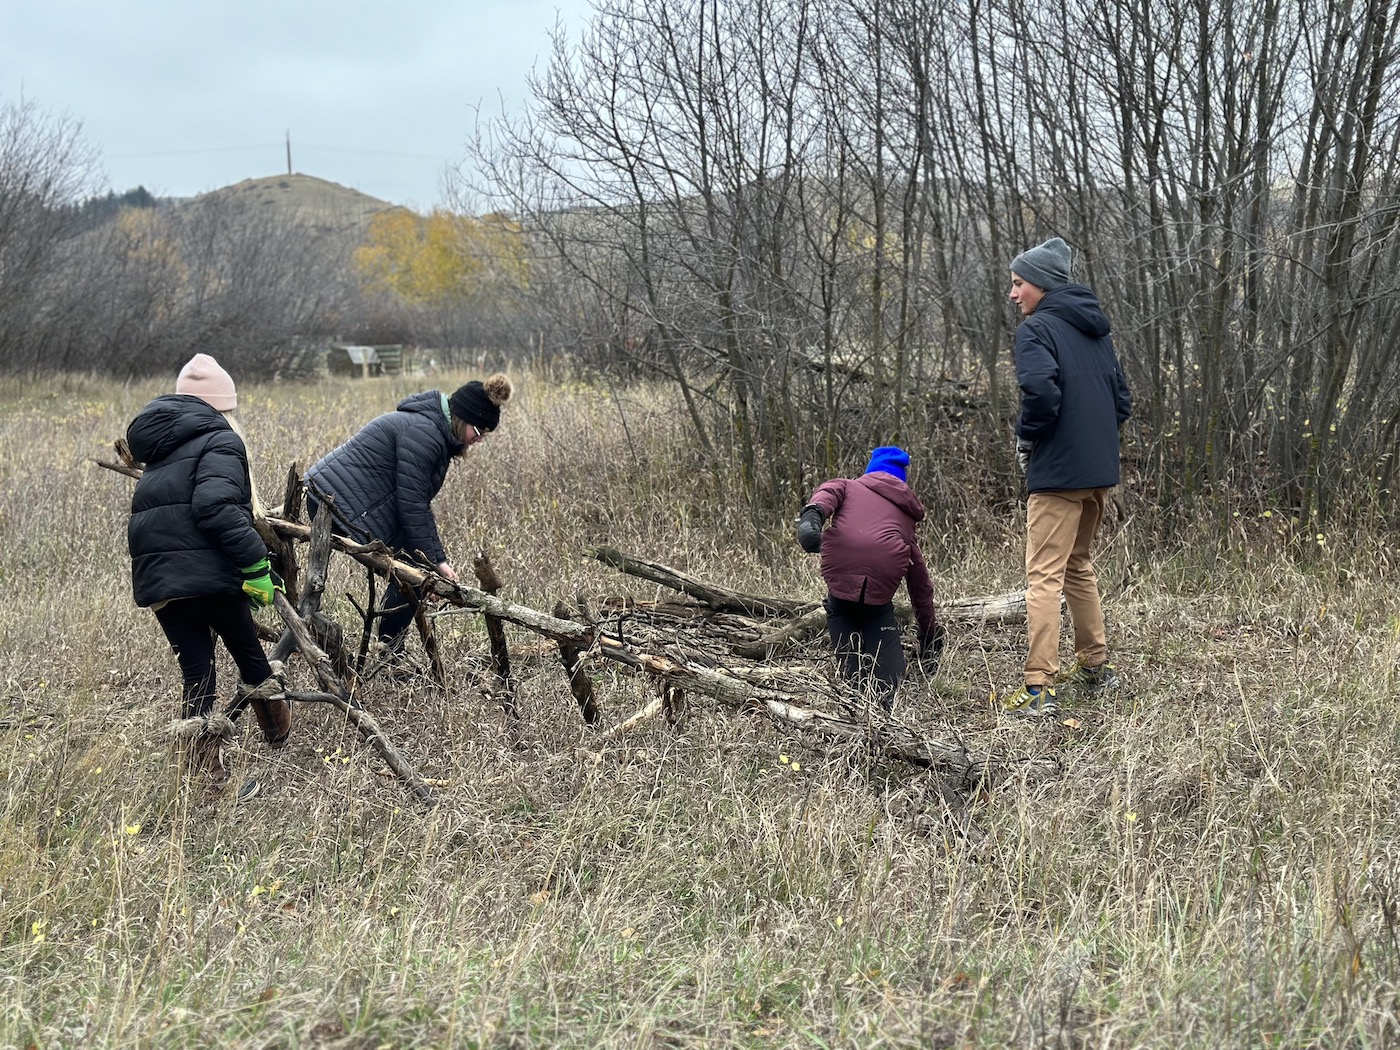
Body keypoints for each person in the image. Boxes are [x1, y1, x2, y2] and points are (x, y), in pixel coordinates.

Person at [126, 353, 290, 792]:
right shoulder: (221, 439)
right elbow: (215, 508)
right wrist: (256, 564)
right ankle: (278, 735)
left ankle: (206, 781)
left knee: (197, 674)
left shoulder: (160, 446)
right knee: (251, 658)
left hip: (158, 578)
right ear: (223, 406)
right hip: (206, 575)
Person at [1003, 236, 1132, 718]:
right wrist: (1092, 442)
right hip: (1098, 473)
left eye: (1019, 283)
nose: (1013, 293)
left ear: (1041, 284)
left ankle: (1038, 687)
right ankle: (1096, 667)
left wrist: (1028, 439)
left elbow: (1040, 392)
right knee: (1078, 565)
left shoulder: (1037, 330)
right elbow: (1122, 403)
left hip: (1057, 475)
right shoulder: (1096, 331)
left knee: (1044, 577)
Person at [304, 373, 513, 653]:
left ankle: (389, 647)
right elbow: (412, 504)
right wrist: (435, 562)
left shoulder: (431, 431)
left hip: (347, 500)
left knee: (416, 567)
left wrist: (435, 559)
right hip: (331, 502)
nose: (479, 439)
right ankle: (388, 650)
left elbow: (416, 504)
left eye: (485, 434)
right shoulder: (424, 435)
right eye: (478, 431)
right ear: (462, 418)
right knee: (414, 572)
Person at [796, 446, 945, 709]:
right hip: (879, 595)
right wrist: (929, 633)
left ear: (870, 471)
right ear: (901, 480)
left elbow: (825, 494)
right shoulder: (906, 516)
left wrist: (811, 518)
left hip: (840, 581)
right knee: (889, 678)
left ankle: (854, 689)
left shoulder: (848, 486)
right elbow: (919, 584)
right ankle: (884, 704)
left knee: (848, 649)